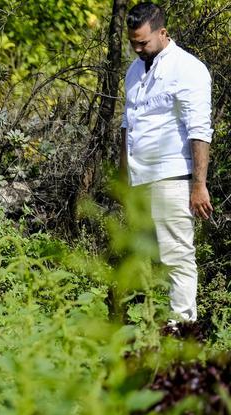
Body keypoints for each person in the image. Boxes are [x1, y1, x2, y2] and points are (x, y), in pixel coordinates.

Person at [121, 3, 213, 323]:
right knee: (141, 260)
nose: (137, 48)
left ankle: (182, 332)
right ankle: (146, 328)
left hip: (173, 177)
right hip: (139, 178)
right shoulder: (134, 70)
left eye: (143, 42)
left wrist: (198, 185)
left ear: (162, 32)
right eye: (132, 42)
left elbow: (200, 130)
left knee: (177, 258)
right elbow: (127, 127)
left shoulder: (188, 68)